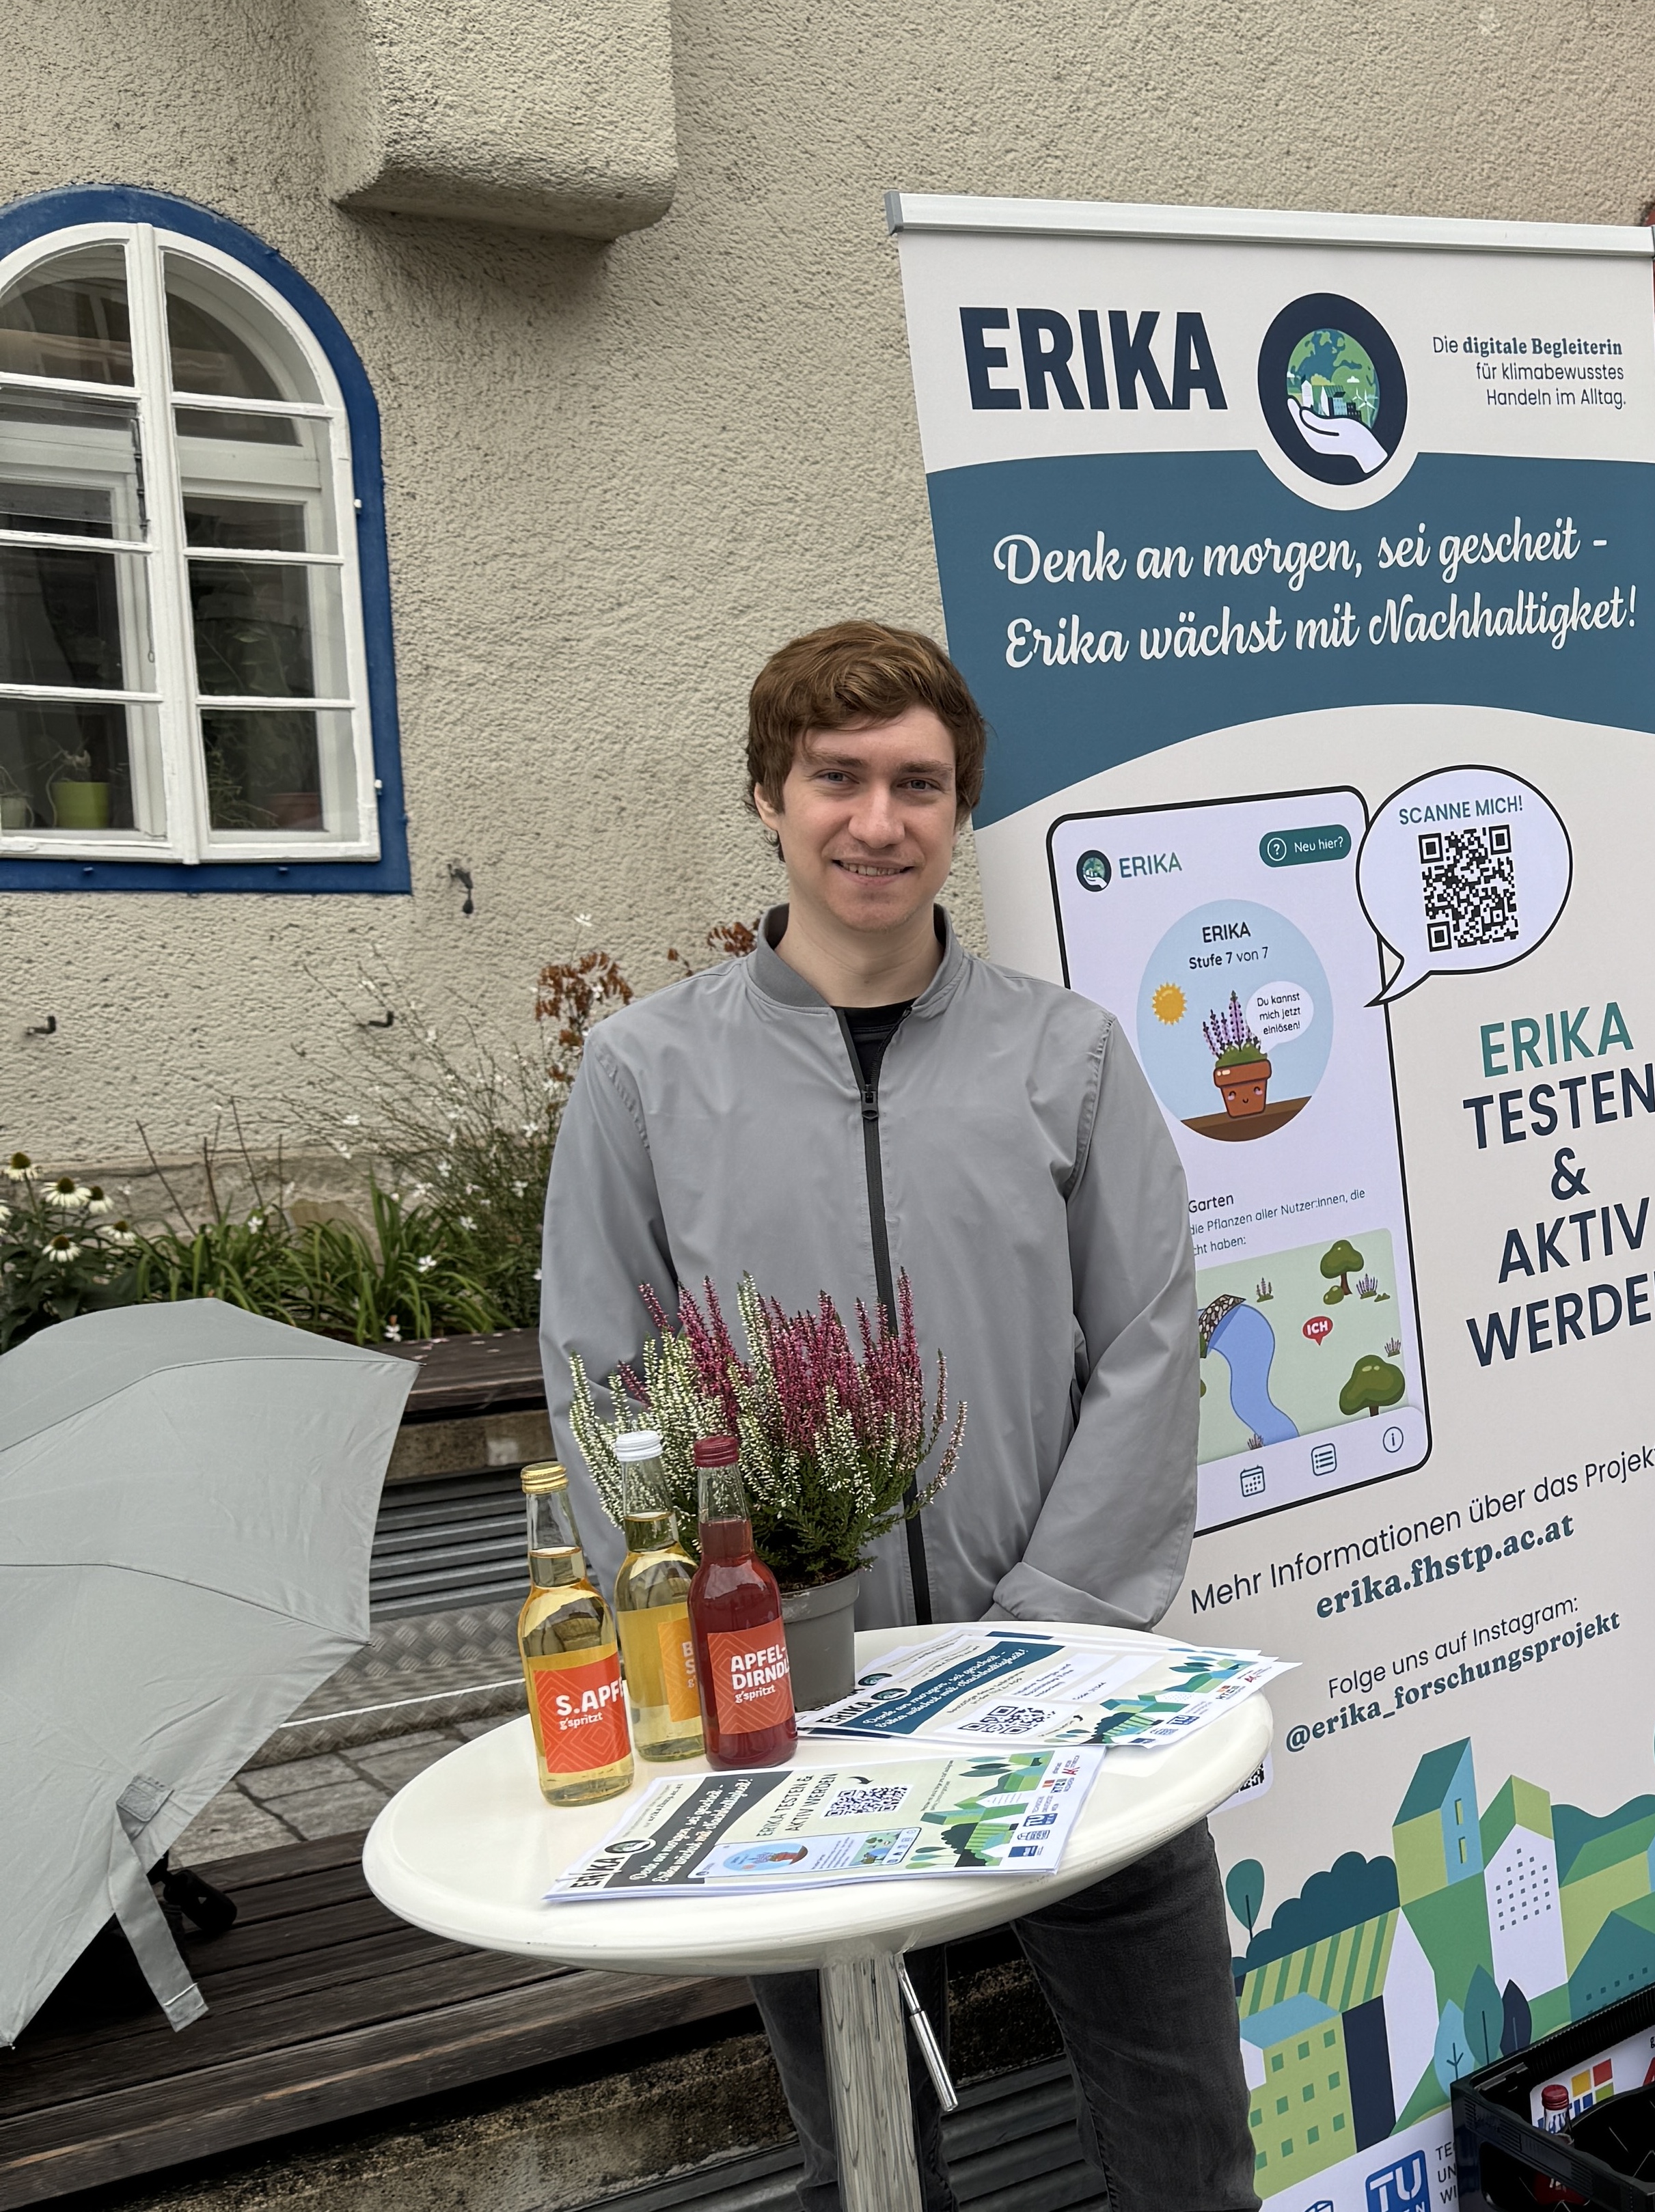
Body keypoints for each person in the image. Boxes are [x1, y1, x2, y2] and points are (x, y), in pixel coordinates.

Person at [538, 621, 1255, 2212]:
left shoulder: (1068, 1056)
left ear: (960, 806)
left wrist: (1050, 1630)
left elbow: (1149, 1341)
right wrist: (711, 1616)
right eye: (836, 778)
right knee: (865, 2161)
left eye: (918, 783)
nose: (878, 820)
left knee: (1188, 2143)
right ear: (768, 796)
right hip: (798, 1703)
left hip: (1066, 1683)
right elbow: (608, 1382)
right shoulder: (646, 1074)